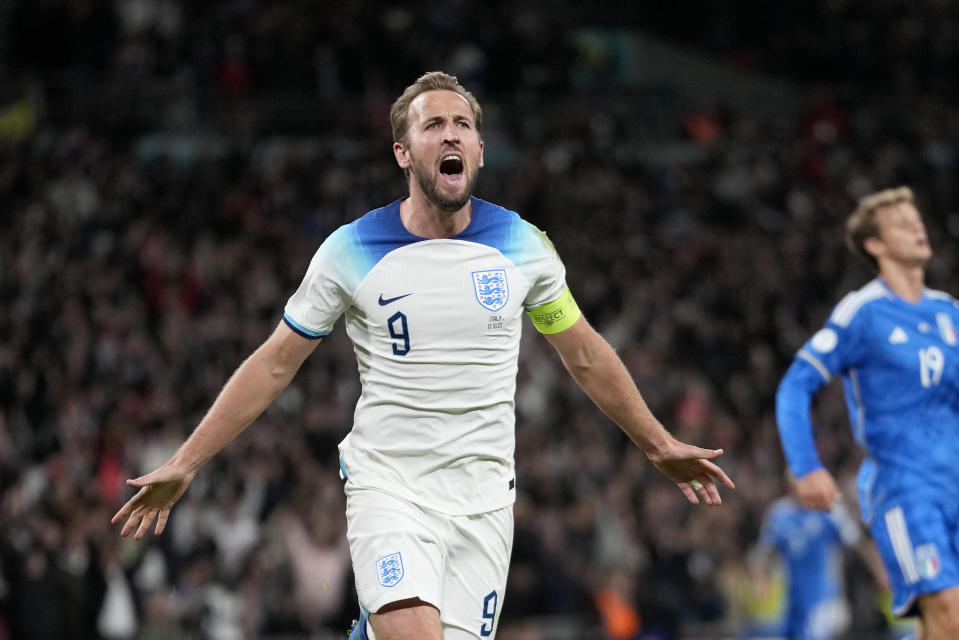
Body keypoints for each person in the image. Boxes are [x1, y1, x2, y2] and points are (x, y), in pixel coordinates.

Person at [112, 71, 735, 640]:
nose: (450, 134)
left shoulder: (523, 246)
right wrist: (186, 462)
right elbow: (276, 363)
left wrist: (659, 445)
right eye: (432, 125)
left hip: (485, 503)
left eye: (462, 124)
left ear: (480, 152)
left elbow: (586, 356)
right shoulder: (351, 249)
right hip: (391, 488)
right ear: (404, 154)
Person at [776, 186, 959, 639]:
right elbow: (796, 385)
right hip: (906, 488)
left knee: (944, 621)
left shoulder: (948, 313)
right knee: (949, 612)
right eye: (901, 223)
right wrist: (806, 466)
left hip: (955, 481)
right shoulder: (864, 312)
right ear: (875, 245)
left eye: (917, 220)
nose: (917, 228)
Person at [746, 472, 889, 640]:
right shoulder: (779, 514)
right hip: (791, 599)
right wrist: (761, 579)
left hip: (825, 598)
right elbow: (764, 552)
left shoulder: (829, 510)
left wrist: (880, 572)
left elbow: (860, 544)